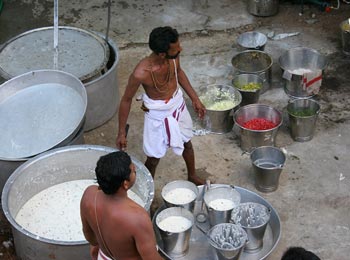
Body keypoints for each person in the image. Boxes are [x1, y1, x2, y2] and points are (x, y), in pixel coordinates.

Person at [116, 26, 206, 185]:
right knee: (153, 158)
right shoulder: (141, 73)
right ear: (162, 54)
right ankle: (145, 189)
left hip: (177, 105)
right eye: (176, 48)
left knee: (187, 142)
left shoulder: (173, 58)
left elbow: (179, 72)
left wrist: (195, 98)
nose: (180, 49)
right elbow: (126, 100)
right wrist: (121, 132)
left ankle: (192, 175)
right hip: (157, 114)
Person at [80, 151, 163, 260]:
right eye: (133, 171)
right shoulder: (138, 217)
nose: (135, 170)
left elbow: (90, 237)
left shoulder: (89, 194)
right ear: (125, 183)